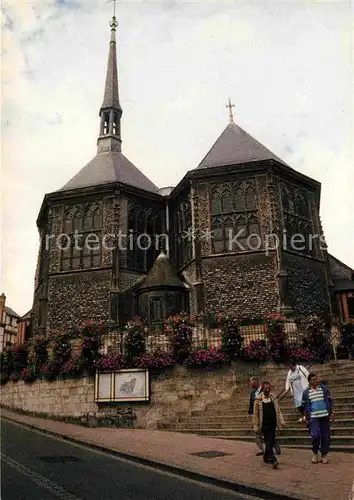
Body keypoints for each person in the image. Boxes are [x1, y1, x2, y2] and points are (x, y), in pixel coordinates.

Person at [301, 373, 334, 464]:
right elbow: (304, 406)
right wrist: (305, 417)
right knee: (315, 436)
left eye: (316, 379)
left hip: (324, 416)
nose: (315, 381)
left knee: (325, 436)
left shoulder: (324, 389)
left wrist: (331, 412)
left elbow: (330, 401)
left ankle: (324, 455)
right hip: (314, 417)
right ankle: (315, 453)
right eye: (313, 380)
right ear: (309, 381)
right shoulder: (306, 392)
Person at [253, 381, 285, 469]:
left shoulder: (273, 397)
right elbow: (255, 415)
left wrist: (281, 420)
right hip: (264, 425)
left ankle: (266, 457)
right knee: (268, 441)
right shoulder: (258, 400)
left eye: (268, 388)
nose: (267, 390)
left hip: (273, 423)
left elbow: (278, 410)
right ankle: (273, 460)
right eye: (265, 388)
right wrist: (256, 426)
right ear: (262, 389)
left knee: (271, 441)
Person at [248, 377, 264, 456]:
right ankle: (262, 449)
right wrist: (250, 413)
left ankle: (274, 445)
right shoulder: (252, 393)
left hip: (264, 415)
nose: (250, 384)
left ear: (255, 382)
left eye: (251, 382)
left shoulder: (264, 390)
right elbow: (251, 404)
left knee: (267, 433)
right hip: (256, 416)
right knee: (256, 432)